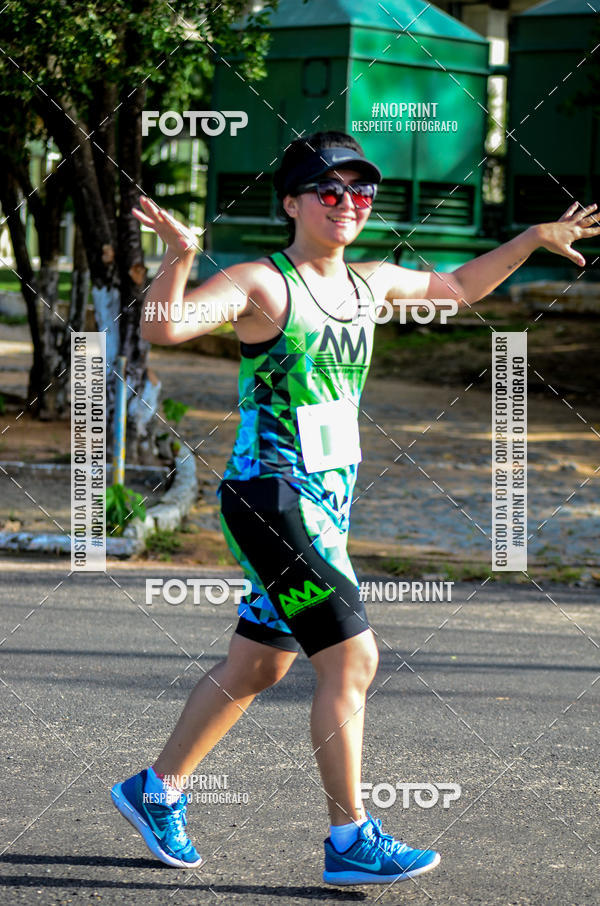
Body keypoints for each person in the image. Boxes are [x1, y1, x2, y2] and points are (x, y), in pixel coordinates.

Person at [110, 130, 599, 885]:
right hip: (272, 499)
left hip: (326, 504)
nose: (348, 204)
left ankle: (156, 787)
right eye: (330, 191)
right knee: (353, 657)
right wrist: (182, 255)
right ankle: (349, 839)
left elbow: (460, 289)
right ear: (292, 203)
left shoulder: (370, 283)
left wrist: (532, 237)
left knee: (261, 664)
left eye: (362, 192)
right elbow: (164, 328)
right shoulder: (264, 284)